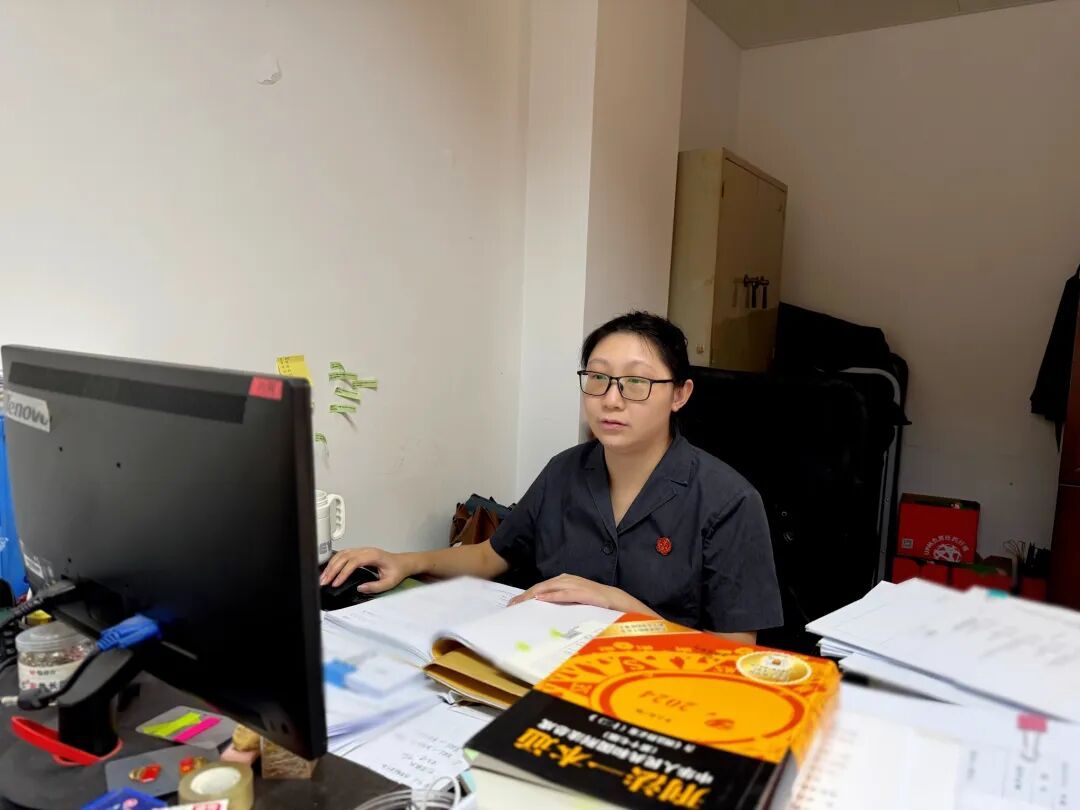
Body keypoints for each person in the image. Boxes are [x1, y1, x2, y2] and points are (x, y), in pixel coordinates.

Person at [321, 312, 782, 642]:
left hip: (661, 690)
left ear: (680, 395)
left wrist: (619, 605)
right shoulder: (565, 471)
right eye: (598, 378)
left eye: (636, 382)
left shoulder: (728, 501)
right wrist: (405, 561)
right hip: (547, 664)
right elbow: (490, 556)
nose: (611, 399)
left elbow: (734, 652)